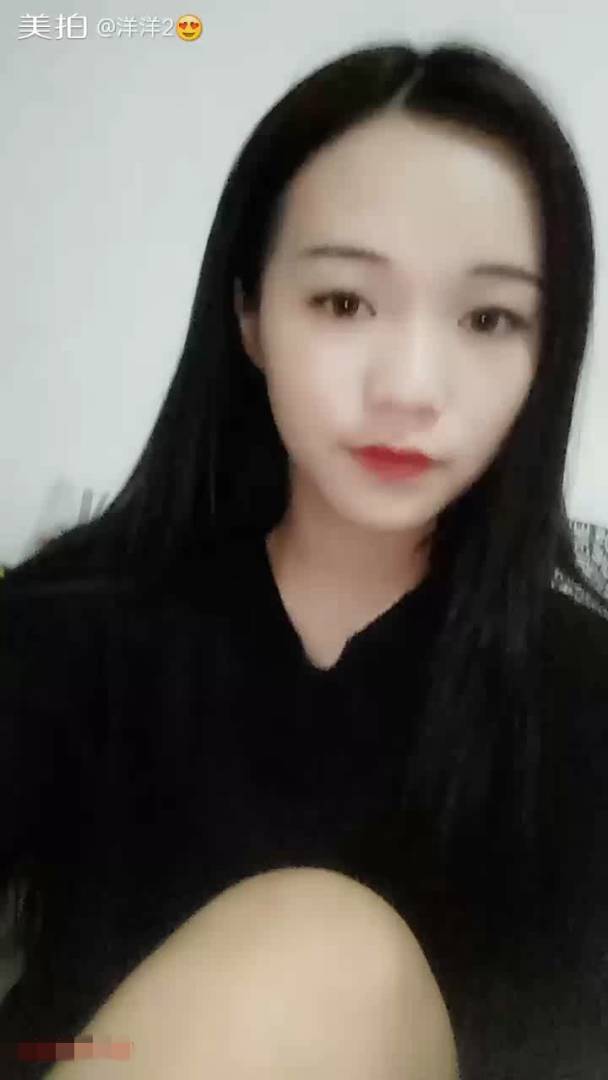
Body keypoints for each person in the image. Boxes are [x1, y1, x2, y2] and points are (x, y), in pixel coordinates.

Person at [1, 38, 607, 1079]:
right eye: (342, 302)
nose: (409, 387)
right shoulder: (69, 624)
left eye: (488, 317)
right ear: (249, 313)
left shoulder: (582, 697)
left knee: (328, 959)